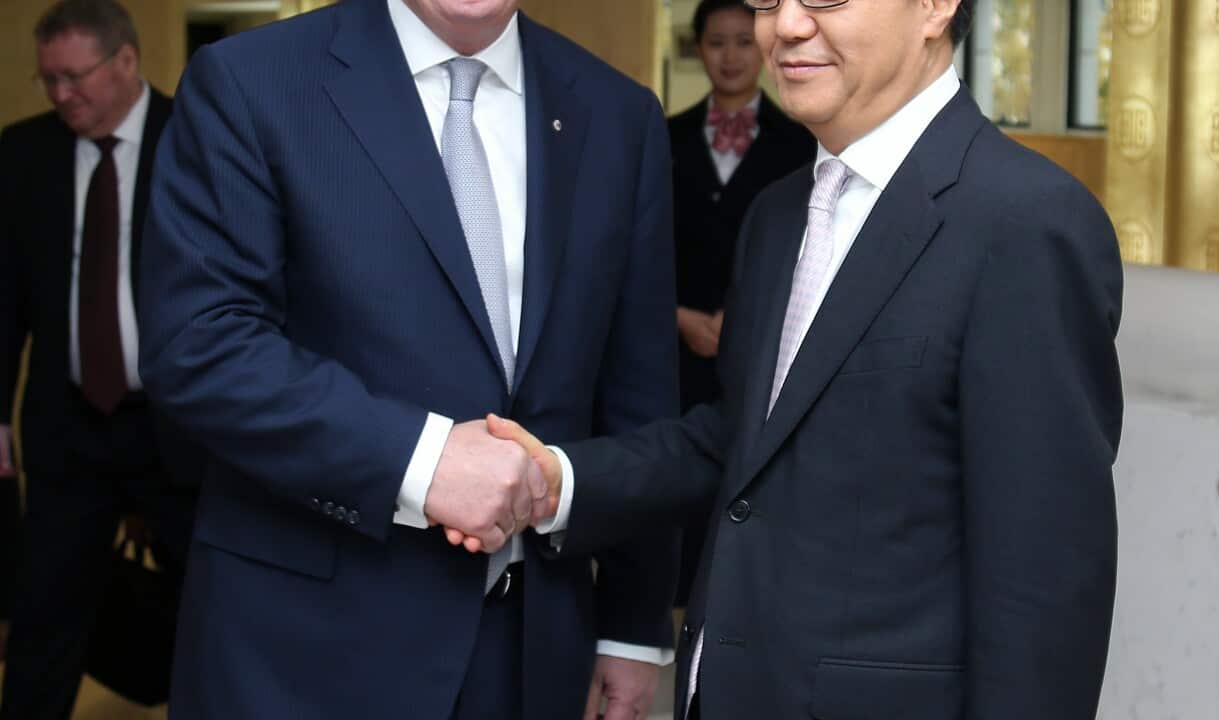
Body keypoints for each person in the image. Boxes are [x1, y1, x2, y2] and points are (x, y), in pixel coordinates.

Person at [483, 0, 1125, 717]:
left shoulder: (1027, 226)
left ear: (936, 8)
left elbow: (1043, 586)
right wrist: (557, 479)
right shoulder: (779, 214)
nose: (783, 26)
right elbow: (741, 442)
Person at [137, 0, 680, 717]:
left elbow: (638, 391)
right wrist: (420, 462)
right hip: (305, 650)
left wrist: (633, 629)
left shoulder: (619, 115)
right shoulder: (248, 82)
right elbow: (200, 344)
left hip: (530, 651)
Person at [0, 1, 198, 717]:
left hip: (181, 429)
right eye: (48, 79)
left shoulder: (199, 141)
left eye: (75, 77)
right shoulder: (21, 155)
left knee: (215, 605)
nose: (60, 96)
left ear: (125, 61)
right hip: (68, 428)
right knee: (44, 614)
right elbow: (5, 297)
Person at [668, 0, 813, 605]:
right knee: (669, 484)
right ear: (698, 48)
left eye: (742, 41)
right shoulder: (661, 135)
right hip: (670, 347)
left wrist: (742, 321)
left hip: (758, 350)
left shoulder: (804, 141)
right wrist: (675, 315)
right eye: (717, 42)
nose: (730, 56)